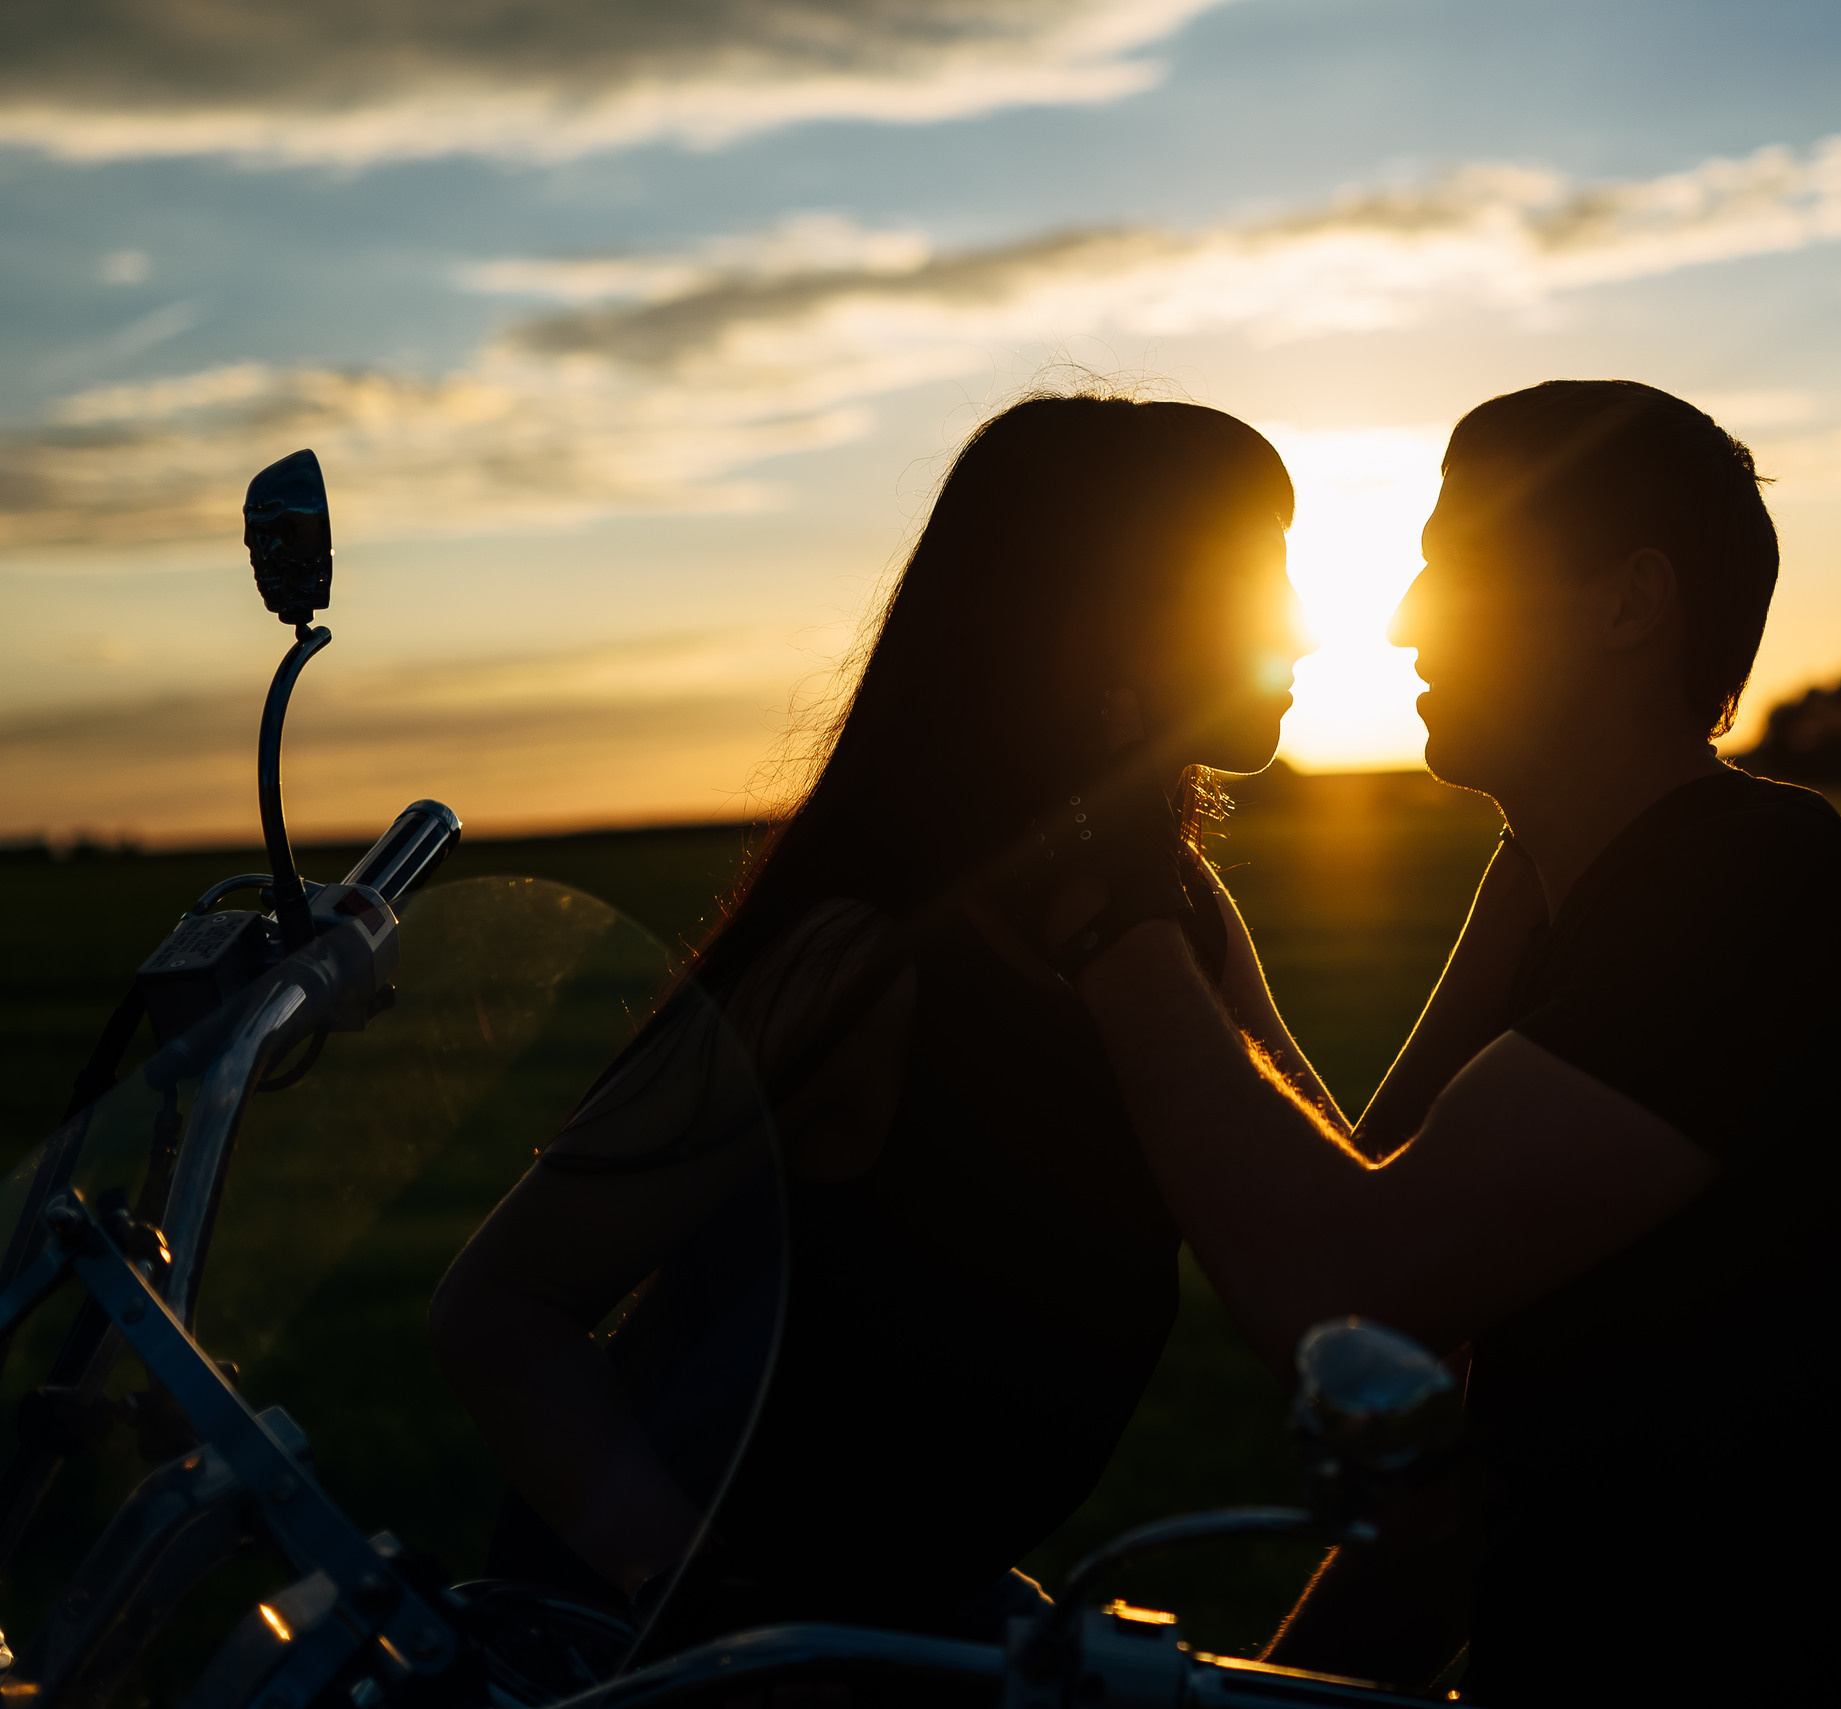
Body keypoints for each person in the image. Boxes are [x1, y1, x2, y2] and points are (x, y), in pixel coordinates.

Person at [1037, 379, 1841, 1704]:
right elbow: (1377, 1219)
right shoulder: (1598, 896)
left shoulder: (1765, 898)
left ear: (1629, 603)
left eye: (1463, 562)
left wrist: (1113, 908)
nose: (1400, 617)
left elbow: (1347, 1297)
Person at [428, 392, 1329, 1646]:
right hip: (666, 1667)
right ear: (1106, 616)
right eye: (1256, 578)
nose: (1306, 628)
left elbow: (1333, 1244)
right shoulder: (862, 948)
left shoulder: (1178, 920)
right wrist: (696, 1599)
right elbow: (502, 1302)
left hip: (907, 1637)